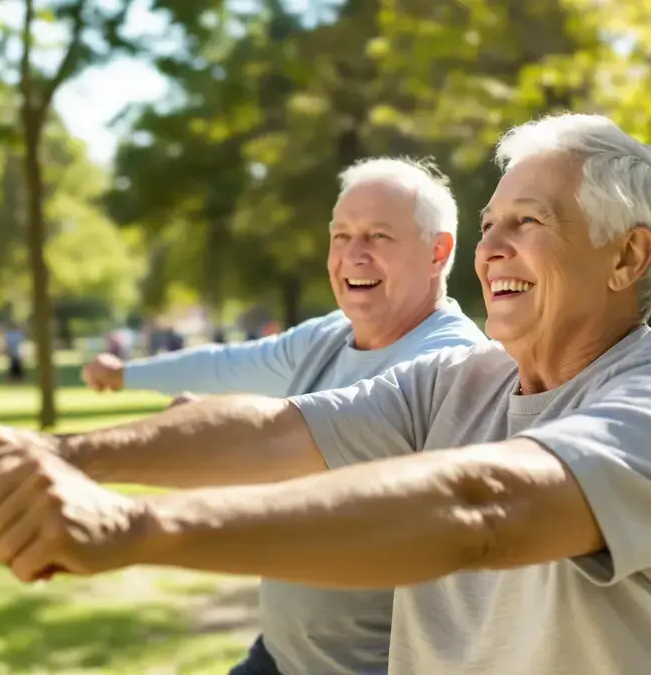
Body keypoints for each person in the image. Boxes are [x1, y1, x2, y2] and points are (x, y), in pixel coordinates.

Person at [0, 113, 651, 674]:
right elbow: (275, 432)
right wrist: (64, 453)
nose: (490, 249)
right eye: (489, 225)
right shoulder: (462, 381)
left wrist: (137, 528)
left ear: (627, 258)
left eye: (528, 222)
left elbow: (483, 508)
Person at [79, 156, 488, 675]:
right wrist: (126, 375)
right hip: (281, 656)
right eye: (341, 236)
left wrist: (209, 432)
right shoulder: (329, 336)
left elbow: (335, 467)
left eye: (378, 236)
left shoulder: (453, 361)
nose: (353, 255)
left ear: (438, 251)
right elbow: (230, 365)